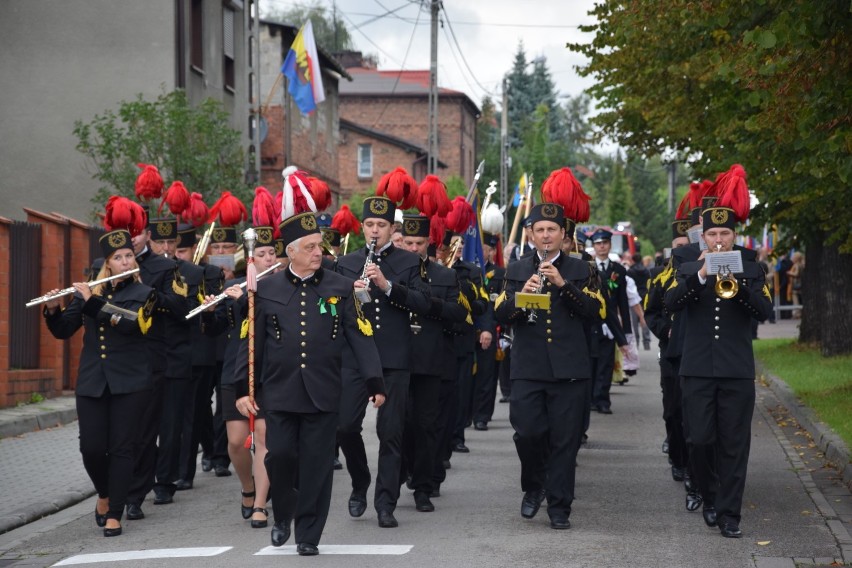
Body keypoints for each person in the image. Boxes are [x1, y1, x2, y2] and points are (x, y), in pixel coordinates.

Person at [232, 212, 384, 555]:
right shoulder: (265, 290)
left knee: (316, 466)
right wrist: (242, 390)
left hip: (324, 392)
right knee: (280, 457)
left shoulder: (341, 287)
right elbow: (250, 342)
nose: (319, 252)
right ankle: (283, 514)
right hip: (280, 392)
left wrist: (375, 382)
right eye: (311, 247)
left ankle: (308, 535)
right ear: (292, 251)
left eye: (320, 246)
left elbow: (361, 336)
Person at [664, 203, 773, 538]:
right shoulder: (685, 262)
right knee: (698, 439)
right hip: (696, 367)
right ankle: (709, 495)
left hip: (736, 368)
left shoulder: (751, 264)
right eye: (712, 234)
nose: (719, 240)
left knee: (734, 445)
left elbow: (764, 310)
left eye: (725, 233)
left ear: (734, 235)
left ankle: (730, 515)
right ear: (703, 235)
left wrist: (736, 284)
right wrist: (701, 275)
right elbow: (670, 303)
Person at [495, 203, 605, 529]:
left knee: (565, 441)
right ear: (531, 234)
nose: (545, 235)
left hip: (570, 369)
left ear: (563, 236)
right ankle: (534, 486)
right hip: (528, 367)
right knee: (527, 433)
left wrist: (563, 285)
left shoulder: (581, 269)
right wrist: (520, 297)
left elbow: (594, 312)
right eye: (540, 230)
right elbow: (500, 316)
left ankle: (560, 506)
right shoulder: (515, 270)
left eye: (552, 230)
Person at [44, 229, 156, 537]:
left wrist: (92, 302)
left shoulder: (144, 294)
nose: (124, 261)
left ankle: (115, 512)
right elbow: (64, 330)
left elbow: (132, 325)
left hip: (131, 383)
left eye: (128, 256)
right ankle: (104, 494)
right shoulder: (90, 293)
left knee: (122, 448)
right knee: (91, 448)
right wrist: (53, 309)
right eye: (117, 258)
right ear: (107, 263)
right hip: (93, 382)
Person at [335, 196, 431, 528]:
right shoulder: (346, 262)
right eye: (370, 225)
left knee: (391, 432)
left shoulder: (408, 261)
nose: (374, 231)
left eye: (381, 225)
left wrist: (387, 286)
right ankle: (360, 481)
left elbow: (422, 303)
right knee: (344, 425)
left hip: (393, 357)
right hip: (355, 357)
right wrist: (350, 290)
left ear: (392, 229)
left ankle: (385, 501)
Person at [201, 225, 277, 529]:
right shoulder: (233, 286)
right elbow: (217, 327)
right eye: (262, 254)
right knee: (235, 442)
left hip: (269, 370)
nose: (269, 258)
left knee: (262, 436)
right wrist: (212, 308)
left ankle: (260, 503)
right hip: (236, 368)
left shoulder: (283, 285)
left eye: (273, 253)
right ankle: (248, 486)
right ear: (249, 258)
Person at [400, 214, 468, 512]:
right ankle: (404, 471)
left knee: (427, 425)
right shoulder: (389, 274)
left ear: (429, 243)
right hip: (398, 360)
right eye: (408, 243)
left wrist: (430, 305)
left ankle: (424, 486)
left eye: (419, 243)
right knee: (399, 425)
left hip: (431, 361)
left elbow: (459, 314)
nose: (413, 248)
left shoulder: (445, 276)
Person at [590, 228, 631, 413]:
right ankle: (590, 399)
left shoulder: (618, 270)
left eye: (605, 243)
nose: (602, 247)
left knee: (606, 364)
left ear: (609, 245)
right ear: (594, 246)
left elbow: (623, 302)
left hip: (610, 323)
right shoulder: (587, 267)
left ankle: (602, 400)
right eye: (598, 244)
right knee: (591, 362)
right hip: (591, 322)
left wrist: (626, 333)